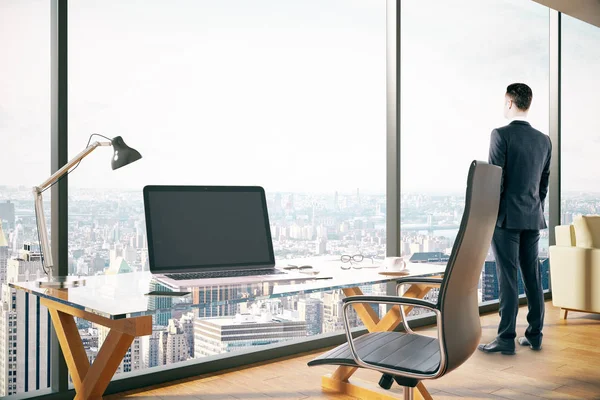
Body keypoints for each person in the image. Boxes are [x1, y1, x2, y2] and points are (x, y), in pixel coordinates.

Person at [478, 83, 552, 355]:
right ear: (528, 103)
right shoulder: (544, 140)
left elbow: (495, 181)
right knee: (532, 277)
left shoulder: (500, 135)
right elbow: (543, 185)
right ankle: (535, 335)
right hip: (533, 216)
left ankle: (506, 338)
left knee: (507, 277)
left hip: (506, 218)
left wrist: (491, 217)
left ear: (509, 102)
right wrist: (534, 207)